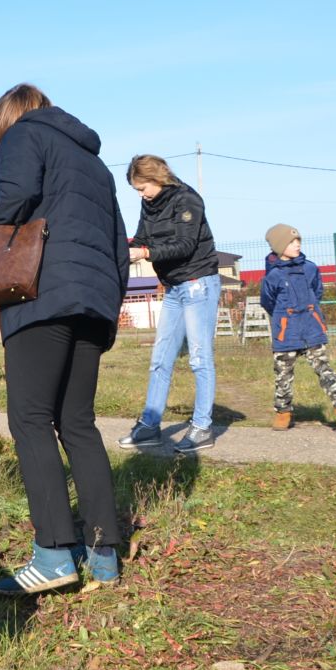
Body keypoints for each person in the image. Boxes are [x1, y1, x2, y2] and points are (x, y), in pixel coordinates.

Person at [0, 83, 129, 595]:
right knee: (77, 423)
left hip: (43, 295)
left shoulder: (22, 136)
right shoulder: (94, 164)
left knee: (29, 419)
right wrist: (107, 304)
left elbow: (14, 202)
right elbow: (119, 244)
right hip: (94, 299)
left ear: (7, 120)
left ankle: (53, 554)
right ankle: (102, 556)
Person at [118, 154, 222, 453]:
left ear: (157, 177)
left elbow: (185, 245)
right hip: (174, 288)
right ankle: (149, 426)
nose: (141, 194)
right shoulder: (149, 204)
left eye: (143, 187)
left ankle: (202, 427)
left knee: (199, 358)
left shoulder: (188, 200)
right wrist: (124, 249)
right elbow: (140, 238)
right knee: (160, 358)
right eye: (137, 190)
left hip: (198, 283)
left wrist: (146, 254)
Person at [260, 224, 336, 434]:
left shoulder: (311, 268)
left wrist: (309, 312)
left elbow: (317, 291)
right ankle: (283, 413)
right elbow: (268, 302)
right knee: (283, 375)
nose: (297, 245)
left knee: (325, 370)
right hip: (286, 333)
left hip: (312, 329)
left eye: (298, 241)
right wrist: (284, 318)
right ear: (279, 247)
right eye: (291, 242)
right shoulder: (273, 276)